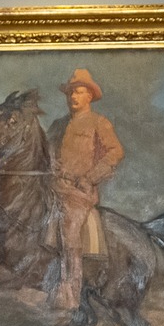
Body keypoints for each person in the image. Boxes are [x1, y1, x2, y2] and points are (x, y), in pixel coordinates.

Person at [47, 68, 124, 311]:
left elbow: (116, 153)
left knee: (69, 229)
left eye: (79, 92)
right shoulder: (58, 125)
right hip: (52, 187)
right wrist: (50, 162)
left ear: (89, 96)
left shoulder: (99, 123)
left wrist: (90, 178)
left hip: (78, 194)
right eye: (70, 93)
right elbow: (47, 151)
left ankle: (71, 291)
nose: (73, 97)